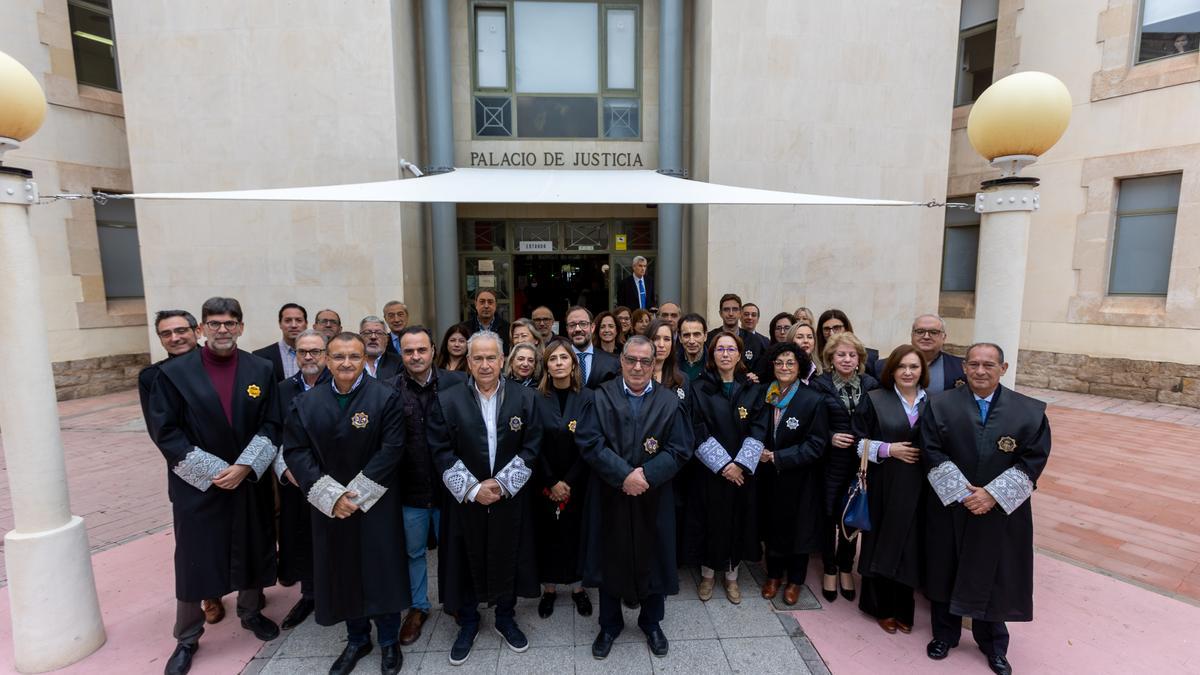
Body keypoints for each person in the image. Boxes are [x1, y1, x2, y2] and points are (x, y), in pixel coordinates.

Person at [147, 297, 280, 675]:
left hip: (247, 479)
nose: (223, 329)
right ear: (202, 328)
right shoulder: (173, 374)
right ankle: (187, 636)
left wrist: (243, 467)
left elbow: (272, 423)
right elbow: (166, 432)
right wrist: (214, 471)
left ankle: (251, 612)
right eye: (215, 323)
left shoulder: (261, 368)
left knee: (254, 545)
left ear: (241, 326)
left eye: (231, 322)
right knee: (195, 559)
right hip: (198, 486)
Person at [281, 332, 409, 675]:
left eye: (354, 356)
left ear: (364, 359)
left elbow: (393, 448)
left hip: (376, 502)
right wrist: (332, 497)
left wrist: (356, 495)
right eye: (338, 357)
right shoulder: (306, 403)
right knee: (343, 570)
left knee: (381, 571)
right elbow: (296, 451)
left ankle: (387, 640)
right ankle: (357, 638)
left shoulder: (385, 397)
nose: (347, 363)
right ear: (325, 359)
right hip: (329, 506)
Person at [921, 343, 1052, 675]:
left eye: (988, 365)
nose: (981, 371)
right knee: (945, 568)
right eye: (974, 364)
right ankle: (944, 635)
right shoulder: (939, 405)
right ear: (964, 368)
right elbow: (931, 449)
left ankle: (994, 644)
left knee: (997, 574)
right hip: (952, 504)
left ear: (1003, 368)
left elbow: (1032, 460)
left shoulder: (1029, 411)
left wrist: (992, 495)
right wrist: (964, 493)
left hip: (1001, 511)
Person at [575, 336, 694, 659]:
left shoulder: (671, 402)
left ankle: (651, 622)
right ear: (621, 361)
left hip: (654, 496)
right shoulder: (599, 397)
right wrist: (623, 475)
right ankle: (609, 625)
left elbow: (681, 448)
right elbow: (589, 441)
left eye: (646, 361)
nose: (638, 366)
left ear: (655, 363)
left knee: (654, 556)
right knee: (609, 557)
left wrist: (646, 476)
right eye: (631, 360)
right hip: (610, 493)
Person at [429, 331, 542, 666]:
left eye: (491, 357)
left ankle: (505, 617)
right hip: (465, 499)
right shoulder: (447, 399)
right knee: (464, 557)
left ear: (502, 359)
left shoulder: (525, 398)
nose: (485, 364)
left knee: (508, 553)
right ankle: (468, 621)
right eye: (477, 358)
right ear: (467, 361)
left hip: (509, 497)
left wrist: (503, 484)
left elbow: (533, 445)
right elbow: (440, 449)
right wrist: (475, 489)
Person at [139, 310, 227, 627]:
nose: (175, 338)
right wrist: (214, 471)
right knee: (196, 543)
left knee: (240, 534)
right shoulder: (154, 377)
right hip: (189, 472)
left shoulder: (218, 365)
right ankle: (209, 597)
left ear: (197, 331)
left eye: (181, 330)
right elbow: (162, 433)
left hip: (237, 471)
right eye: (166, 333)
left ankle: (249, 596)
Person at [387, 326, 466, 646]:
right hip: (410, 490)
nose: (415, 356)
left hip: (452, 488)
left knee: (454, 549)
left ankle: (457, 601)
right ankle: (418, 607)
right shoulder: (388, 390)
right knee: (413, 551)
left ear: (434, 350)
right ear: (401, 354)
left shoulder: (458, 384)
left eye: (421, 350)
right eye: (409, 351)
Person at [686, 332, 766, 604]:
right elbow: (696, 427)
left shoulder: (752, 388)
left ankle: (732, 578)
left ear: (740, 354)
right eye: (720, 349)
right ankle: (708, 575)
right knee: (710, 521)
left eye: (731, 349)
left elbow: (759, 427)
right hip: (710, 472)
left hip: (742, 474)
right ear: (712, 355)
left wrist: (741, 465)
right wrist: (723, 465)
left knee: (738, 522)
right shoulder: (698, 388)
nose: (725, 354)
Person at [856, 345, 927, 635]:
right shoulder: (874, 400)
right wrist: (888, 449)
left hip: (920, 488)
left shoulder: (933, 403)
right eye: (902, 367)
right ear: (892, 370)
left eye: (914, 367)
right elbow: (858, 443)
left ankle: (903, 608)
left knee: (911, 547)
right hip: (884, 483)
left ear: (923, 371)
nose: (908, 372)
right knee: (882, 544)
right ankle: (881, 607)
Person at [757, 342, 830, 606]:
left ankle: (795, 581)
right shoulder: (766, 395)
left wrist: (779, 457)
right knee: (773, 526)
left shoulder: (813, 399)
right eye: (779, 363)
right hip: (769, 477)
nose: (784, 367)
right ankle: (774, 576)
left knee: (799, 530)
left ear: (800, 366)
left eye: (790, 363)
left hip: (800, 478)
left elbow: (816, 444)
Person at [272, 330, 331, 633]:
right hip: (296, 478)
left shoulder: (337, 385)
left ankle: (336, 590)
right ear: (295, 355)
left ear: (326, 354)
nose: (309, 357)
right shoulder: (282, 389)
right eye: (303, 351)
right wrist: (286, 468)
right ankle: (309, 594)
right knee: (302, 536)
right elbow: (274, 432)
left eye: (315, 351)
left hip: (333, 479)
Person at [814, 332, 880, 603]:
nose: (846, 359)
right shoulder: (820, 385)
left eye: (852, 355)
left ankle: (845, 567)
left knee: (853, 516)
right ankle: (829, 567)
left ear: (860, 359)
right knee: (829, 516)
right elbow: (812, 421)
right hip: (830, 462)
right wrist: (830, 436)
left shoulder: (871, 384)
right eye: (841, 354)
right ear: (830, 357)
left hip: (861, 462)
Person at [532, 338, 594, 619]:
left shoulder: (588, 397)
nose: (558, 363)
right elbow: (533, 444)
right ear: (546, 365)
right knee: (548, 536)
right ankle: (550, 589)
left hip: (579, 481)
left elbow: (591, 442)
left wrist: (568, 482)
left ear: (573, 364)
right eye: (552, 359)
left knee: (576, 534)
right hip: (544, 481)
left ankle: (579, 589)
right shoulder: (535, 398)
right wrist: (551, 481)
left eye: (563, 358)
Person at [884, 314, 965, 393]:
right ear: (912, 335)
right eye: (920, 331)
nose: (926, 337)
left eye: (933, 332)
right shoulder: (883, 366)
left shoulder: (961, 367)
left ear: (944, 337)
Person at [708, 293, 768, 371]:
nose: (731, 314)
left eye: (735, 309)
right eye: (726, 309)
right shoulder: (710, 338)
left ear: (740, 313)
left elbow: (759, 369)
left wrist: (755, 375)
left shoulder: (754, 340)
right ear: (720, 313)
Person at [565, 306, 621, 389]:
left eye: (583, 324)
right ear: (567, 329)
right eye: (572, 325)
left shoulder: (613, 362)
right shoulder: (557, 361)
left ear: (592, 327)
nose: (577, 329)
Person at [253, 302, 308, 382]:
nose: (293, 325)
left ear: (306, 324)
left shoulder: (319, 354)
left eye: (299, 320)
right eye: (288, 320)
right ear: (280, 324)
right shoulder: (260, 357)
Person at [816, 309, 879, 378]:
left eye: (837, 328)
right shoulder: (815, 358)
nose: (831, 333)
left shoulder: (869, 359)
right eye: (826, 329)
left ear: (846, 329)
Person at [676, 313, 708, 382]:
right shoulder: (671, 364)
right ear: (680, 338)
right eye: (686, 335)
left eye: (696, 335)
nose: (691, 341)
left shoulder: (714, 363)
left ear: (705, 336)